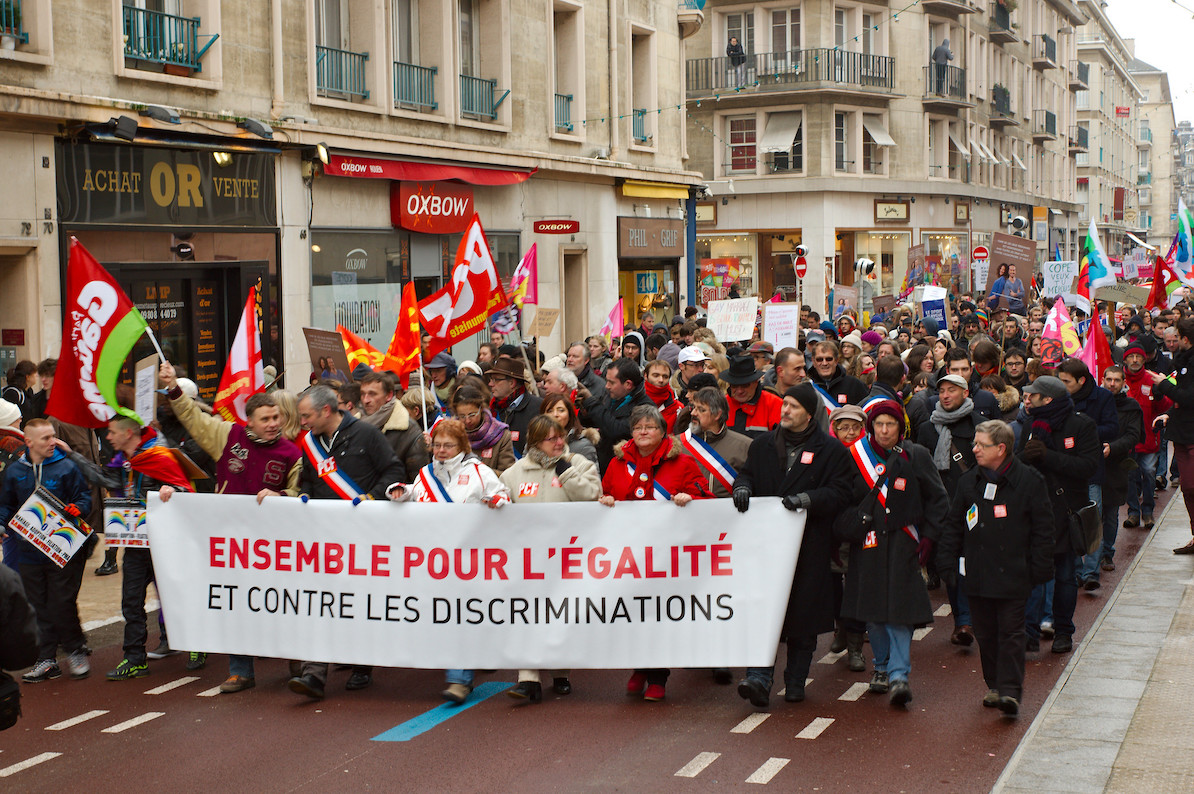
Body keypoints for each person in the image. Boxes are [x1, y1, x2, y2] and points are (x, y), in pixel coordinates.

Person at [160, 361, 303, 693]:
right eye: (265, 419)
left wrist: (281, 494)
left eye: (276, 418)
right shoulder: (228, 435)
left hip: (274, 545)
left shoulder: (291, 453)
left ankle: (297, 663)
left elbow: (300, 492)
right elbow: (193, 418)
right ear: (248, 421)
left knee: (281, 603)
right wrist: (172, 388)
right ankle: (241, 671)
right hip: (231, 543)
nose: (273, 424)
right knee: (237, 603)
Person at [732, 384, 856, 708]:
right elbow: (746, 476)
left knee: (804, 617)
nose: (785, 411)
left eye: (793, 407)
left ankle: (796, 679)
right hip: (766, 548)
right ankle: (758, 678)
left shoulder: (832, 451)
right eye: (784, 405)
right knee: (763, 612)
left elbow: (842, 492)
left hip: (810, 547)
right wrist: (742, 488)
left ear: (809, 412)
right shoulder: (762, 446)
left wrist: (809, 499)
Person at [287, 385, 405, 699]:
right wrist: (304, 497)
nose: (303, 423)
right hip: (326, 538)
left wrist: (372, 498)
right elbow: (309, 481)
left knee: (358, 603)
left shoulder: (367, 435)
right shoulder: (310, 444)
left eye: (307, 416)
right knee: (320, 600)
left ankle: (362, 665)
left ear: (327, 411)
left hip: (364, 536)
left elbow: (393, 470)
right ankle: (313, 674)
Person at [937, 420, 1054, 717]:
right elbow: (953, 525)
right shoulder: (968, 482)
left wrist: (1040, 568)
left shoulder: (1030, 481)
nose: (974, 449)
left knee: (1012, 633)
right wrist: (947, 561)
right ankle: (994, 684)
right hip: (977, 573)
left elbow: (1043, 528)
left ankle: (1011, 691)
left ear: (1000, 448)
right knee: (986, 633)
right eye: (975, 443)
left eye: (981, 445)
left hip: (1015, 573)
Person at [836, 399, 949, 707]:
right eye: (879, 424)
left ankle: (900, 675)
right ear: (871, 426)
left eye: (891, 424)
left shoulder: (917, 456)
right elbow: (842, 499)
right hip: (868, 543)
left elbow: (938, 499)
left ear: (901, 428)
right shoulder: (854, 457)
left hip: (904, 542)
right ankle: (881, 667)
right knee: (873, 610)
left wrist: (928, 538)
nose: (884, 430)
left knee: (899, 611)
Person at [389, 419, 509, 703]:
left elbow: (502, 494)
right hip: (433, 560)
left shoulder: (479, 472)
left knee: (461, 616)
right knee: (445, 616)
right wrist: (401, 492)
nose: (442, 450)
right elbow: (416, 495)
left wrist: (496, 501)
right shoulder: (425, 474)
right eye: (438, 444)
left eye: (449, 445)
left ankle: (459, 679)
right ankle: (474, 656)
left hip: (468, 558)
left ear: (462, 446)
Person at [66, 416, 194, 680]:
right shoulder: (120, 461)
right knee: (131, 602)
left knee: (176, 597)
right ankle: (135, 658)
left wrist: (172, 490)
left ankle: (196, 645)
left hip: (164, 544)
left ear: (127, 433)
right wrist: (72, 455)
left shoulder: (158, 455)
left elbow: (186, 491)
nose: (108, 437)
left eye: (112, 432)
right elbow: (104, 479)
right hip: (135, 544)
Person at [600, 405, 711, 701]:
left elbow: (706, 498)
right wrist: (606, 499)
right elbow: (605, 493)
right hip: (629, 555)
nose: (643, 432)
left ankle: (659, 675)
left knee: (660, 615)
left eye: (650, 427)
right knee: (633, 612)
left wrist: (692, 498)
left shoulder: (683, 462)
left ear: (663, 431)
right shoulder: (617, 463)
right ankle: (639, 667)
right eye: (637, 428)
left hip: (668, 556)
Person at [499, 415, 601, 703]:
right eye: (551, 438)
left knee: (561, 615)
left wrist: (566, 472)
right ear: (535, 442)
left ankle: (560, 672)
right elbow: (500, 505)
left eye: (561, 436)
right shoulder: (515, 473)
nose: (559, 442)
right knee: (528, 615)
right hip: (529, 562)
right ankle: (528, 678)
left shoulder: (579, 464)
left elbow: (593, 496)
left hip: (568, 560)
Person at [0, 419, 93, 682]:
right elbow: (6, 505)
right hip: (28, 551)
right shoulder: (16, 471)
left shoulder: (66, 467)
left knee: (61, 603)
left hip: (62, 550)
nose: (52, 442)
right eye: (45, 439)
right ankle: (47, 659)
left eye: (52, 436)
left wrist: (79, 507)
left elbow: (85, 497)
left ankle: (76, 650)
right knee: (37, 605)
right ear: (28, 442)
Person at [1015, 376, 1099, 653]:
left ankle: (1064, 631)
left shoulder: (1081, 425)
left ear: (1047, 399)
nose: (1027, 400)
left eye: (1032, 396)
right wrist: (1025, 457)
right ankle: (1029, 631)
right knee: (1031, 574)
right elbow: (1016, 467)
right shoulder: (1029, 425)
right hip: (1034, 512)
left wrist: (1047, 456)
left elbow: (1088, 467)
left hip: (1066, 512)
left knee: (1064, 576)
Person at [916, 373, 978, 647]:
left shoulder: (980, 425)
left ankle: (976, 615)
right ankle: (962, 621)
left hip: (973, 507)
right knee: (952, 564)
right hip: (941, 508)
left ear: (965, 393)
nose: (945, 395)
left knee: (974, 564)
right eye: (941, 391)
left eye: (952, 390)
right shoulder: (928, 429)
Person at [1055, 358, 1120, 592]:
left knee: (1091, 521)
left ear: (1081, 381)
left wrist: (1083, 430)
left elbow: (1113, 428)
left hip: (1091, 470)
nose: (1061, 386)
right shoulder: (1059, 398)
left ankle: (1091, 572)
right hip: (1064, 472)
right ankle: (1074, 572)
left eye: (1066, 381)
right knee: (1068, 522)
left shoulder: (1102, 398)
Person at [1088, 365, 1143, 586]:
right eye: (1108, 379)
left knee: (1110, 512)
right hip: (1092, 465)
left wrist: (1114, 446)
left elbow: (1133, 435)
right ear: (1102, 379)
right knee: (1092, 513)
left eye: (1116, 380)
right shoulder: (1095, 402)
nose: (1112, 384)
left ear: (1123, 383)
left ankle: (1107, 551)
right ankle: (1091, 554)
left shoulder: (1131, 407)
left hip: (1116, 464)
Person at [1151, 318, 1194, 552]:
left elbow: (1188, 397)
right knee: (1187, 488)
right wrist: (1169, 413)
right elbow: (1181, 399)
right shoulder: (1182, 362)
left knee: (1193, 485)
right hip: (1181, 432)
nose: (1174, 341)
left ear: (1185, 339)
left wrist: (1162, 384)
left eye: (1177, 336)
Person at [1122, 339, 1168, 531]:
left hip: (1149, 438)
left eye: (1138, 357)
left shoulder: (1152, 379)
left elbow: (1165, 407)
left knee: (1149, 474)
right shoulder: (1118, 380)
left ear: (1144, 359)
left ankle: (1147, 511)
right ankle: (1133, 513)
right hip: (1127, 441)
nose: (1134, 360)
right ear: (1125, 360)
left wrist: (1160, 395)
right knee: (1130, 476)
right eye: (1131, 357)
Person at [579, 358, 653, 471]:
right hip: (606, 465)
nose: (606, 386)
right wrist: (585, 413)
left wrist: (591, 402)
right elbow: (602, 420)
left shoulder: (645, 408)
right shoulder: (612, 395)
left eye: (611, 382)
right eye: (607, 381)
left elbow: (616, 429)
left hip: (628, 470)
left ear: (628, 384)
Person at [678, 387, 752, 499]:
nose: (693, 413)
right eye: (693, 408)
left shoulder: (744, 446)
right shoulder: (677, 444)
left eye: (701, 410)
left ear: (717, 414)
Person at [358, 372, 430, 478]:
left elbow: (418, 481)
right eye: (363, 394)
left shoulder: (409, 431)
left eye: (372, 394)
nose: (366, 400)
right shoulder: (353, 425)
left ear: (389, 395)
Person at [451, 386, 515, 475]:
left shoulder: (501, 435)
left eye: (472, 415)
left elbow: (508, 475)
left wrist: (479, 472)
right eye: (462, 416)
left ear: (481, 409)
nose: (467, 420)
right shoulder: (451, 434)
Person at [487, 358, 542, 456]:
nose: (490, 384)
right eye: (491, 379)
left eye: (496, 380)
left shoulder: (538, 408)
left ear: (512, 383)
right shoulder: (491, 408)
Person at [721, 354, 783, 438]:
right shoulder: (721, 405)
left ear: (756, 382)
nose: (739, 391)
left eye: (745, 385)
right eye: (734, 385)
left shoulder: (774, 404)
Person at [0, 400, 26, 571]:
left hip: (5, 512)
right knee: (15, 561)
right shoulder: (16, 445)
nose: (21, 421)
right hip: (18, 510)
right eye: (17, 418)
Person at [540, 396, 599, 466]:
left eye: (561, 410)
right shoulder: (535, 442)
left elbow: (592, 475)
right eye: (550, 411)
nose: (555, 414)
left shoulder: (583, 445)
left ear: (569, 415)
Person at [807, 341, 869, 407]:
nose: (824, 363)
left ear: (836, 360)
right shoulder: (807, 387)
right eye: (819, 359)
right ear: (813, 361)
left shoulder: (855, 385)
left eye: (829, 359)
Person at [644, 360, 681, 432]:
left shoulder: (677, 408)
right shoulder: (633, 401)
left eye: (665, 377)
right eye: (656, 375)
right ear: (646, 375)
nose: (661, 380)